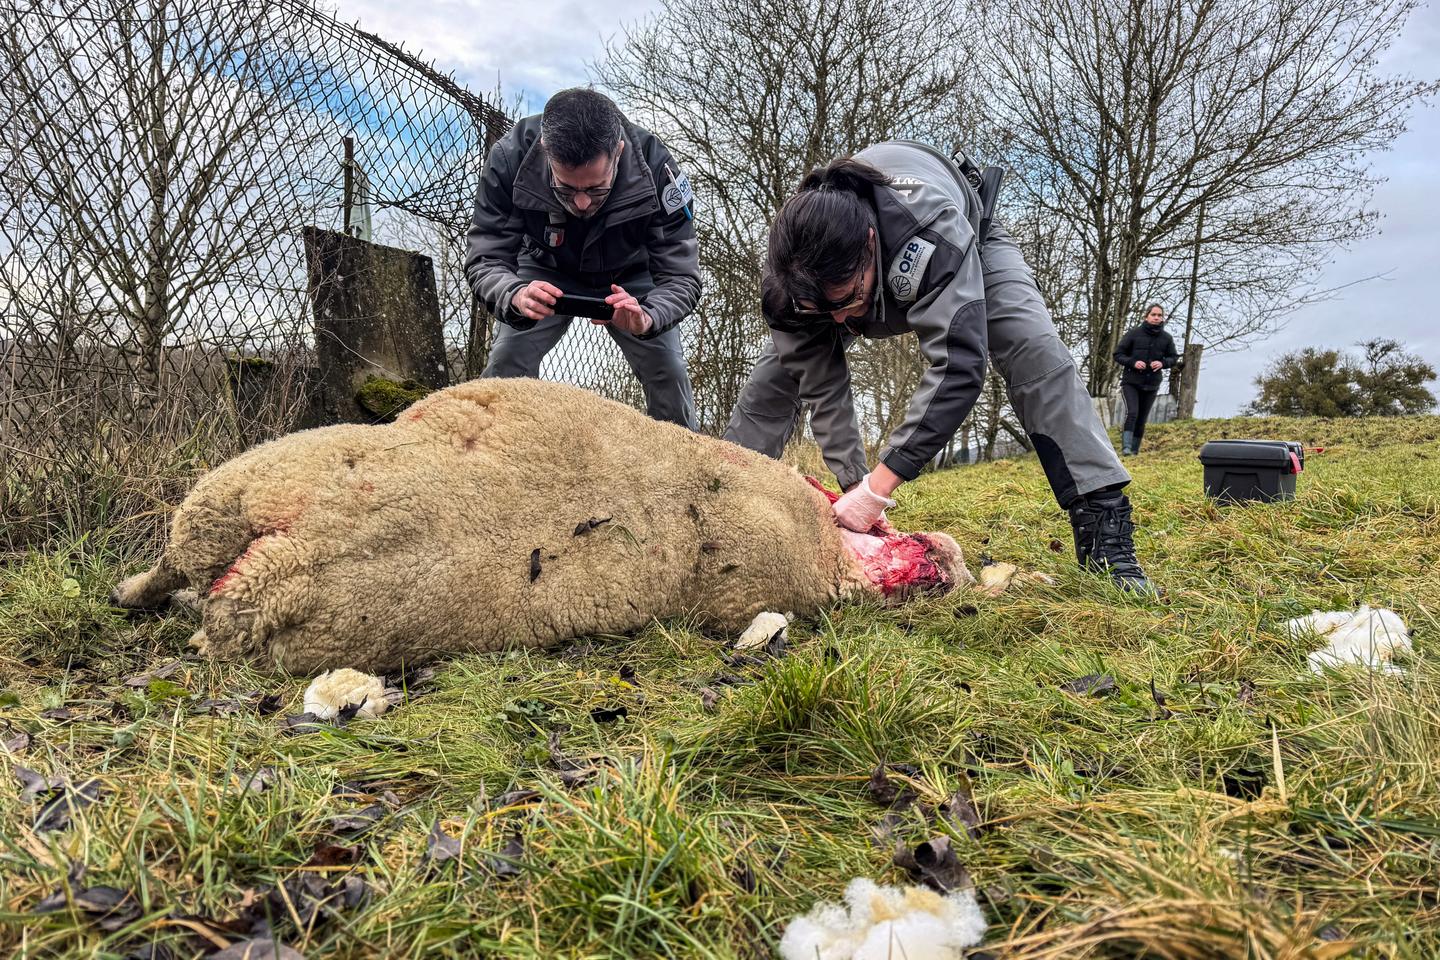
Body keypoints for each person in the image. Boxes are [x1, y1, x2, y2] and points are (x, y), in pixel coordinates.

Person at [724, 142, 1157, 593]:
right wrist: (855, 485)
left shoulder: (929, 230)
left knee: (1033, 349)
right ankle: (720, 507)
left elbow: (958, 366)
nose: (840, 322)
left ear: (870, 244)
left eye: (849, 299)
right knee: (774, 377)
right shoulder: (793, 276)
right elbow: (823, 386)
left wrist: (880, 486)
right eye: (825, 309)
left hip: (971, 242)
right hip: (842, 276)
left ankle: (1104, 526)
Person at [464, 88, 701, 428]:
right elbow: (486, 257)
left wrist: (648, 316)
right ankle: (491, 461)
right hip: (543, 269)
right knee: (507, 359)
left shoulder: (659, 170)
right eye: (565, 188)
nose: (581, 204)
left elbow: (682, 277)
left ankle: (684, 469)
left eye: (596, 189)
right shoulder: (509, 158)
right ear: (547, 152)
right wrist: (514, 294)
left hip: (632, 280)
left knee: (669, 371)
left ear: (618, 152)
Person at [1111, 304, 1179, 455]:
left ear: (1163, 318)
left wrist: (1163, 363)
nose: (1156, 317)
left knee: (1142, 418)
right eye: (1153, 314)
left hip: (1152, 384)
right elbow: (1118, 354)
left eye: (1159, 315)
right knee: (1133, 413)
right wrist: (1133, 362)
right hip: (1131, 382)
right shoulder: (1133, 334)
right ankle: (1126, 448)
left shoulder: (1166, 338)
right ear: (1146, 316)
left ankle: (1135, 450)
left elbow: (1173, 357)